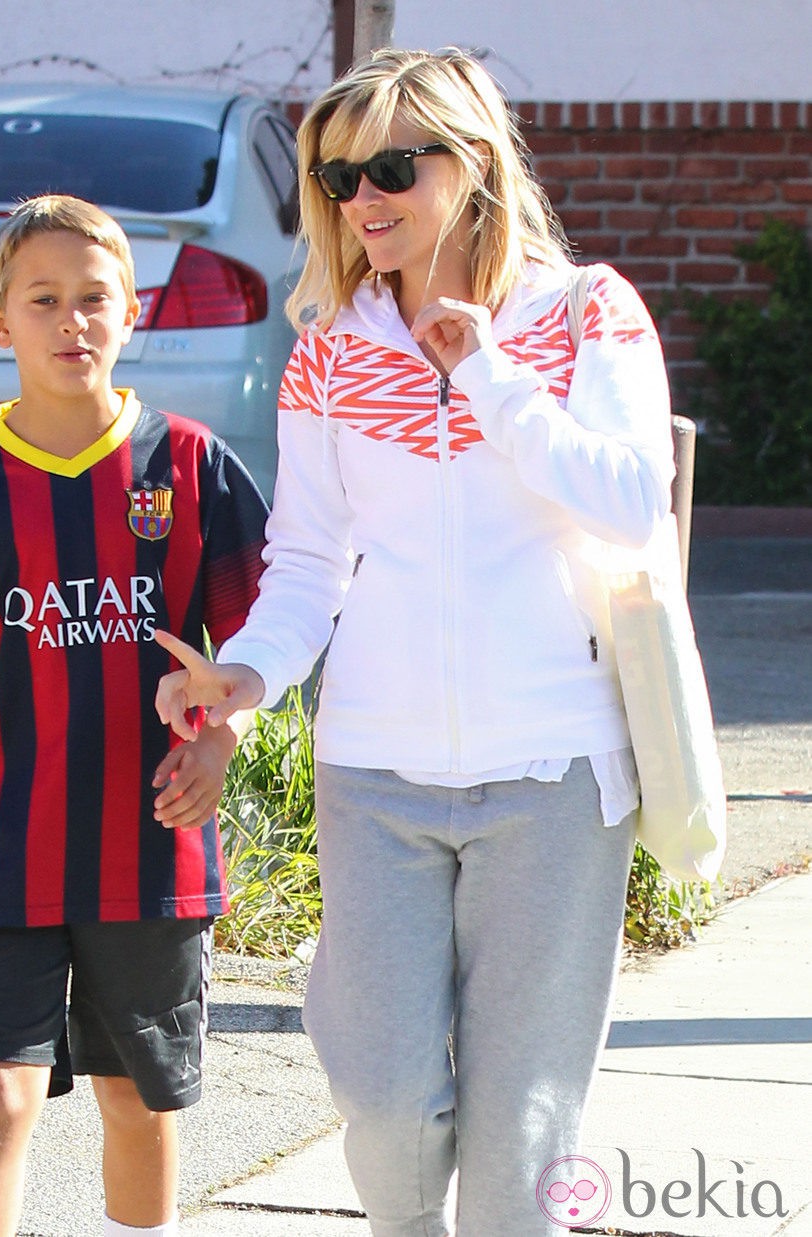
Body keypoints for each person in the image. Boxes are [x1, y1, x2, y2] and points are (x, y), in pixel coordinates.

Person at [154, 47, 676, 1237]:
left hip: (552, 773)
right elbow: (305, 561)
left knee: (521, 1139)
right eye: (337, 178)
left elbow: (631, 500)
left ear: (473, 163)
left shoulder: (584, 312)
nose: (360, 200)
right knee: (385, 1108)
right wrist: (247, 672)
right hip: (374, 769)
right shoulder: (330, 347)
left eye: (391, 165)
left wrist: (486, 373)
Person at [0, 194, 268, 1237]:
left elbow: (262, 647)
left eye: (95, 299)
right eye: (44, 300)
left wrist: (223, 740)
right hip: (6, 847)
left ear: (132, 312)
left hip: (147, 848)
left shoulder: (189, 466)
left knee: (132, 1099)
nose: (73, 322)